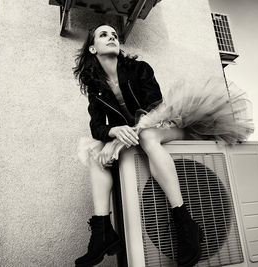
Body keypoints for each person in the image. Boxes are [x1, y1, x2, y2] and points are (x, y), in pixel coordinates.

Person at [73, 24, 204, 267]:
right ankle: (102, 232)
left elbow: (155, 109)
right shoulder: (96, 87)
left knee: (146, 137)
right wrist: (113, 131)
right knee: (94, 153)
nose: (111, 37)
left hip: (168, 124)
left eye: (114, 34)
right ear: (93, 48)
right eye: (104, 35)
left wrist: (118, 143)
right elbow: (96, 126)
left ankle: (186, 223)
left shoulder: (139, 69)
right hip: (140, 133)